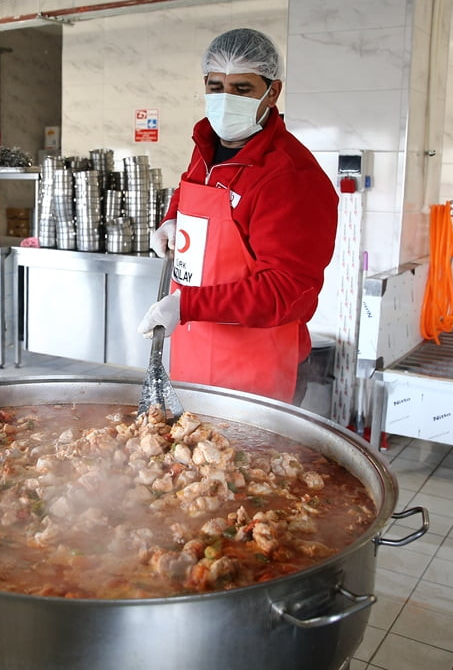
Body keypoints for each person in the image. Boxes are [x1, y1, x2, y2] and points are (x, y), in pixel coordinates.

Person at [136, 28, 338, 402]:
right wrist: (172, 217)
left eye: (242, 89)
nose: (226, 100)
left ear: (272, 92)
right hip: (196, 351)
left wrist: (186, 304)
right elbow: (193, 187)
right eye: (216, 87)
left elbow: (286, 291)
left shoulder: (291, 177)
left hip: (256, 370)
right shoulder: (208, 146)